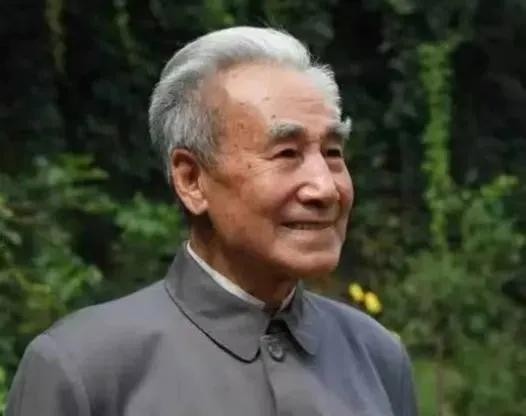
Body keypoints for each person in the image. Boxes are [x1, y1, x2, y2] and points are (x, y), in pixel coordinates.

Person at [6, 26, 418, 416]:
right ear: (191, 180)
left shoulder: (377, 357)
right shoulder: (82, 369)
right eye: (287, 154)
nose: (325, 188)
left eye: (332, 152)